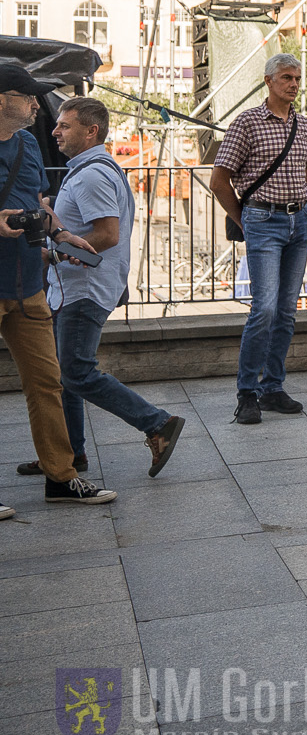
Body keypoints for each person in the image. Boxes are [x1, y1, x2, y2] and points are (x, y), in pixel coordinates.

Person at [28, 96, 182, 483]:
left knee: (77, 373)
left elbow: (106, 234)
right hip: (77, 288)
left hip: (84, 288)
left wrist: (56, 256)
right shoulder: (91, 169)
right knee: (67, 372)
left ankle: (157, 423)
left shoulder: (92, 174)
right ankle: (67, 453)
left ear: (90, 130)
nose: (55, 130)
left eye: (64, 125)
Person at [0, 66, 116, 510]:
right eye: (26, 97)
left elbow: (37, 204)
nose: (35, 105)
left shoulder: (28, 144)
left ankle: (61, 478)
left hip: (28, 282)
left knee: (48, 383)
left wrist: (61, 234)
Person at [208, 53, 307, 425]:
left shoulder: (304, 125)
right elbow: (219, 180)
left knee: (287, 310)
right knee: (264, 307)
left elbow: (304, 172)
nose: (294, 84)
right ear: (268, 81)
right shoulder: (247, 123)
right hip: (263, 219)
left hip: (299, 221)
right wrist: (244, 218)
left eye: (298, 78)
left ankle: (273, 387)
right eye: (287, 77)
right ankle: (246, 393)